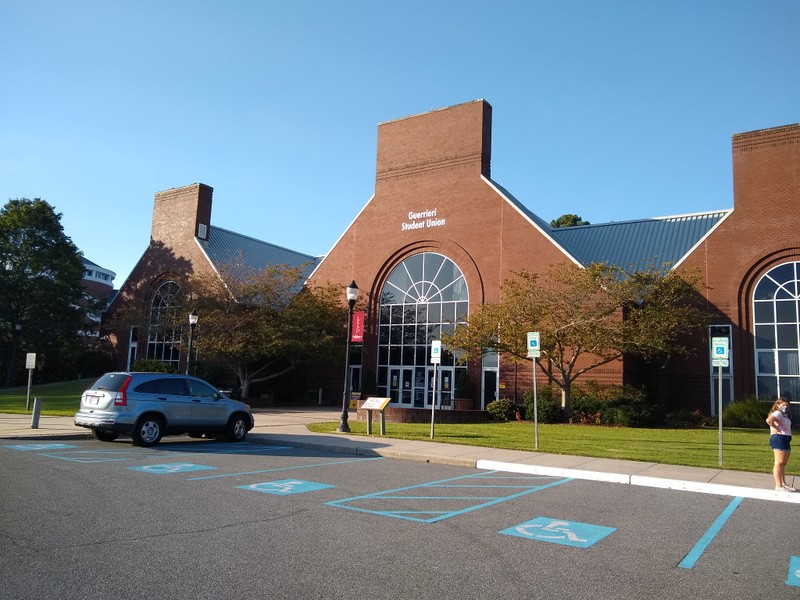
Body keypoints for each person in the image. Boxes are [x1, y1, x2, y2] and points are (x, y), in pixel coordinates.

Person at [766, 392, 795, 492]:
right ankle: (778, 485)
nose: (785, 407)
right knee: (779, 463)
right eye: (783, 405)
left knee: (783, 463)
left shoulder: (784, 415)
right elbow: (769, 420)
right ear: (778, 405)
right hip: (779, 438)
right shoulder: (777, 413)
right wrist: (776, 428)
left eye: (787, 405)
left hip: (786, 438)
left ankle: (783, 483)